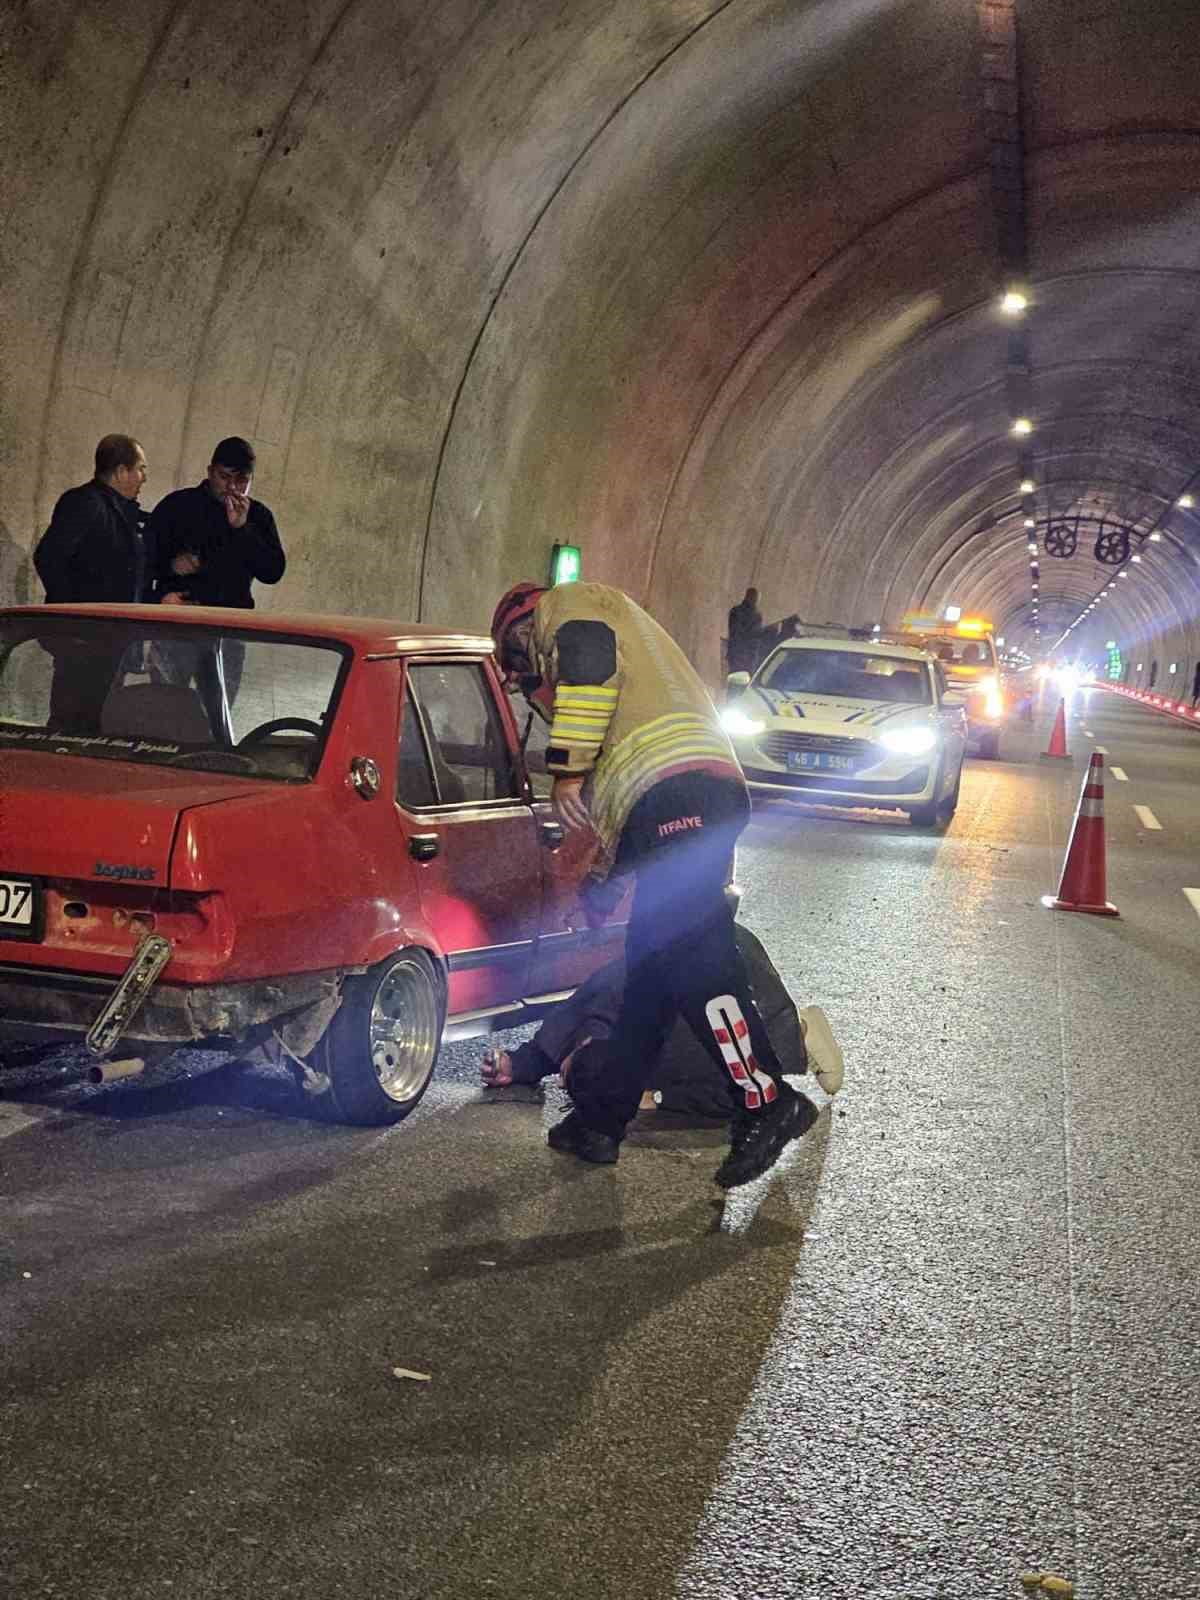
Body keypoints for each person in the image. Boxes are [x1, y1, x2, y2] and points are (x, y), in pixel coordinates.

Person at [491, 579, 822, 1189]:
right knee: (650, 973)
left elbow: (589, 666)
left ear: (522, 621)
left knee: (696, 958)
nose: (523, 677)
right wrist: (600, 879)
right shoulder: (624, 641)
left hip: (680, 791)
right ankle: (601, 1120)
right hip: (683, 795)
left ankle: (766, 1100)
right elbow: (626, 798)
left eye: (514, 657)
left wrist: (566, 770)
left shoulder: (570, 605)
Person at [481, 921, 845, 1116]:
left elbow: (735, 1097)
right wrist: (519, 1065)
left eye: (562, 1073)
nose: (558, 1078)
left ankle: (802, 1031)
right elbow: (564, 1026)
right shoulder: (607, 995)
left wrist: (658, 1098)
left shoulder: (685, 1056)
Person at [147, 437, 285, 732]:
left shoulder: (258, 516)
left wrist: (242, 528)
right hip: (176, 624)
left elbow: (273, 571)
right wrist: (165, 582)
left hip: (229, 629)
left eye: (242, 480)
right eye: (225, 477)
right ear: (210, 471)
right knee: (163, 715)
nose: (233, 487)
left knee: (219, 720)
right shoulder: (178, 506)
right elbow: (141, 562)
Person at [32, 433, 151, 731]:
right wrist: (76, 619)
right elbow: (49, 557)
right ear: (121, 471)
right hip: (85, 639)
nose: (144, 477)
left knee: (98, 720)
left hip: (110, 639)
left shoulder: (122, 511)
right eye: (141, 468)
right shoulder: (85, 502)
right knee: (71, 720)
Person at [726, 586, 763, 674]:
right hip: (743, 656)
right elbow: (737, 633)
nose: (757, 601)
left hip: (741, 655)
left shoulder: (735, 611)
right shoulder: (753, 615)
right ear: (749, 597)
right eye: (756, 598)